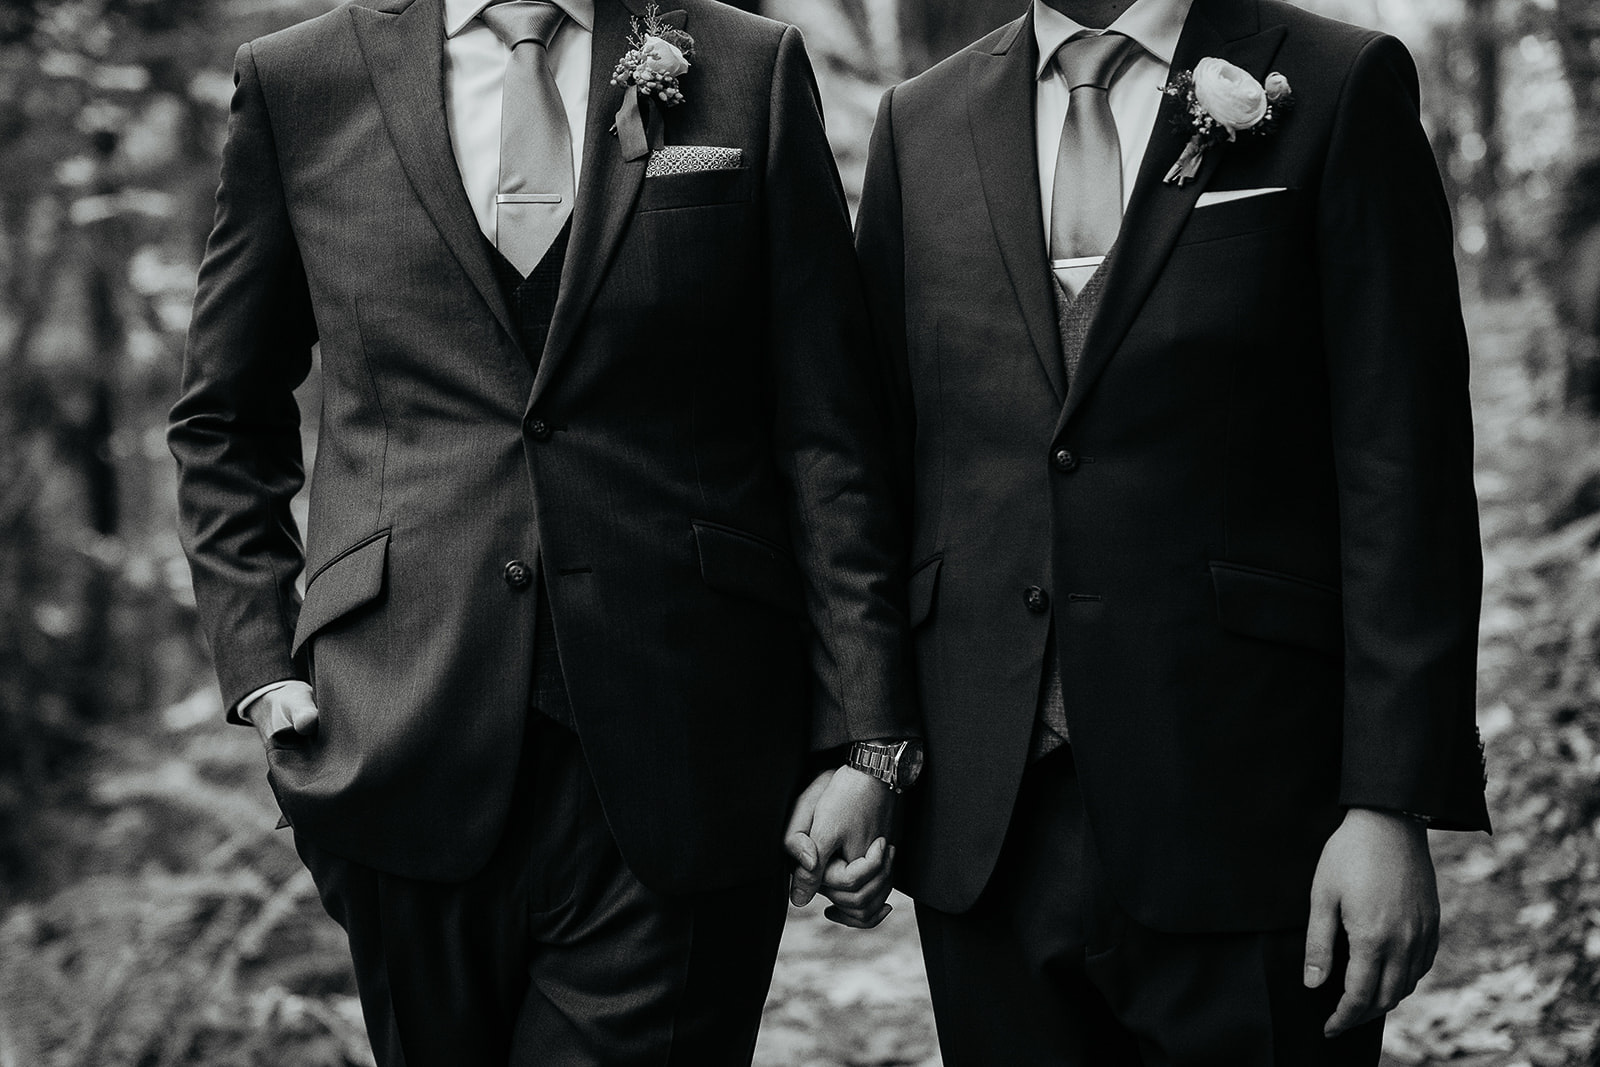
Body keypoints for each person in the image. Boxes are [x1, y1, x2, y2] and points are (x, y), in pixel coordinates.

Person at [168, 0, 916, 1061]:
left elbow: (828, 428)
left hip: (691, 743)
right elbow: (223, 419)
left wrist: (869, 737)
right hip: (396, 734)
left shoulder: (748, 64)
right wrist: (255, 656)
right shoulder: (302, 78)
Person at [850, 0, 1492, 1061]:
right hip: (989, 827)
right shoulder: (918, 122)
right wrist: (867, 745)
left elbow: (1402, 465)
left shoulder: (1336, 82)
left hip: (1253, 811)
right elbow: (873, 461)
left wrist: (1389, 800)